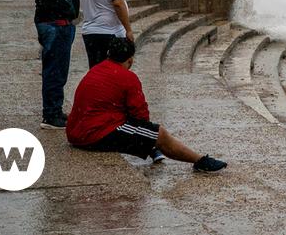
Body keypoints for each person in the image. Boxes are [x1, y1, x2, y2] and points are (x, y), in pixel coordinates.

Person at [66, 38, 227, 172]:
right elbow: (141, 117)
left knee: (139, 128)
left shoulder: (96, 69)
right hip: (93, 135)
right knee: (158, 134)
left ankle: (154, 150)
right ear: (130, 60)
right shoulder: (128, 77)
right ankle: (199, 161)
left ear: (109, 54)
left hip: (75, 131)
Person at [30, 0, 82, 129]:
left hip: (50, 21)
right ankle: (51, 115)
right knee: (55, 70)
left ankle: (55, 110)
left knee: (55, 69)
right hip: (55, 24)